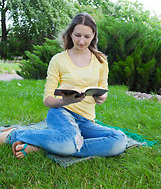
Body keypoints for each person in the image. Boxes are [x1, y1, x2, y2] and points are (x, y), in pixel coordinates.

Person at [0, 13, 127, 159]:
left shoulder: (101, 60)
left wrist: (101, 97)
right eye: (77, 35)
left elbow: (104, 90)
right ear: (70, 34)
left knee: (119, 140)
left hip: (86, 120)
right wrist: (66, 101)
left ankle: (44, 147)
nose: (81, 41)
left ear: (94, 36)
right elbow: (47, 100)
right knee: (68, 141)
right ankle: (14, 134)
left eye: (87, 37)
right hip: (61, 113)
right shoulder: (58, 60)